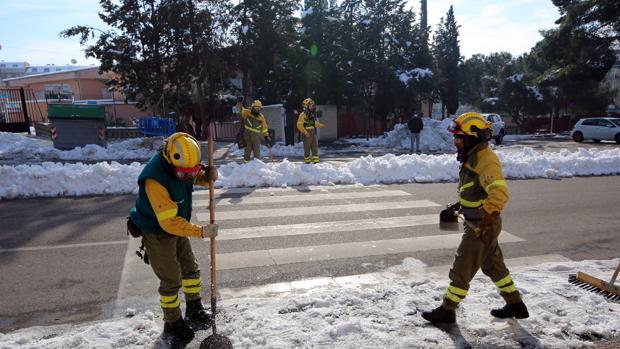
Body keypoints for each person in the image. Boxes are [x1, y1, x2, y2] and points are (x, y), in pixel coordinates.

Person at [421, 112, 529, 324]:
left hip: (481, 225)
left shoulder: (486, 161)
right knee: (494, 266)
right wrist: (460, 205)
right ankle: (516, 304)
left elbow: (499, 194)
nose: (456, 141)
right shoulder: (472, 157)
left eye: (459, 137)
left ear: (473, 137)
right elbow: (475, 190)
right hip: (478, 221)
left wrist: (486, 223)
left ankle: (448, 309)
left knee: (462, 267)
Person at [128, 132, 219, 344]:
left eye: (192, 172)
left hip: (176, 225)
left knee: (191, 269)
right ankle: (172, 323)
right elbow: (168, 223)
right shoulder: (155, 180)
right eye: (184, 175)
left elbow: (190, 174)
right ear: (170, 160)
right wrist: (201, 231)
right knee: (171, 280)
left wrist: (205, 176)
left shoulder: (183, 168)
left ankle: (194, 309)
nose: (188, 178)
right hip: (158, 232)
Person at [236, 97, 271, 162]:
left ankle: (257, 167)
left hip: (256, 138)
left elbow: (264, 127)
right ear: (252, 108)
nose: (257, 110)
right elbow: (240, 109)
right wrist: (239, 103)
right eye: (256, 108)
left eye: (259, 109)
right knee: (247, 152)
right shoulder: (247, 112)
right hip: (247, 136)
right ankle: (246, 166)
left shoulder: (261, 117)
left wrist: (266, 136)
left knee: (257, 153)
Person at [296, 98, 325, 164]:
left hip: (313, 133)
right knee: (307, 149)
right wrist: (305, 132)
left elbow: (313, 122)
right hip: (307, 133)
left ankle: (316, 164)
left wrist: (319, 125)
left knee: (315, 148)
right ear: (306, 106)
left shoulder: (311, 114)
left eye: (312, 105)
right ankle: (307, 164)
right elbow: (299, 125)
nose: (312, 107)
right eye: (311, 105)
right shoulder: (302, 115)